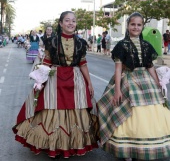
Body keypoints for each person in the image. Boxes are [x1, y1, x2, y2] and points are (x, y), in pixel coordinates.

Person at [12, 11, 98, 159]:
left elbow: (83, 64)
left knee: (76, 109)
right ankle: (54, 145)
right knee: (52, 108)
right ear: (61, 23)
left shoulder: (81, 43)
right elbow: (46, 62)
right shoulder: (51, 41)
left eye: (73, 21)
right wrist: (39, 81)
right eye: (67, 20)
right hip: (55, 78)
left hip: (75, 79)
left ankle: (71, 144)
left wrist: (89, 83)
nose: (71, 23)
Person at [97, 12, 170, 161]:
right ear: (128, 25)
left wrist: (158, 85)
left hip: (146, 81)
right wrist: (117, 90)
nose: (136, 27)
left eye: (139, 24)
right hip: (128, 79)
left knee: (148, 115)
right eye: (133, 24)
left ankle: (143, 146)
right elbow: (118, 69)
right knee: (129, 112)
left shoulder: (146, 45)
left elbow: (150, 67)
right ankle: (128, 148)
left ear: (142, 26)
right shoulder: (121, 45)